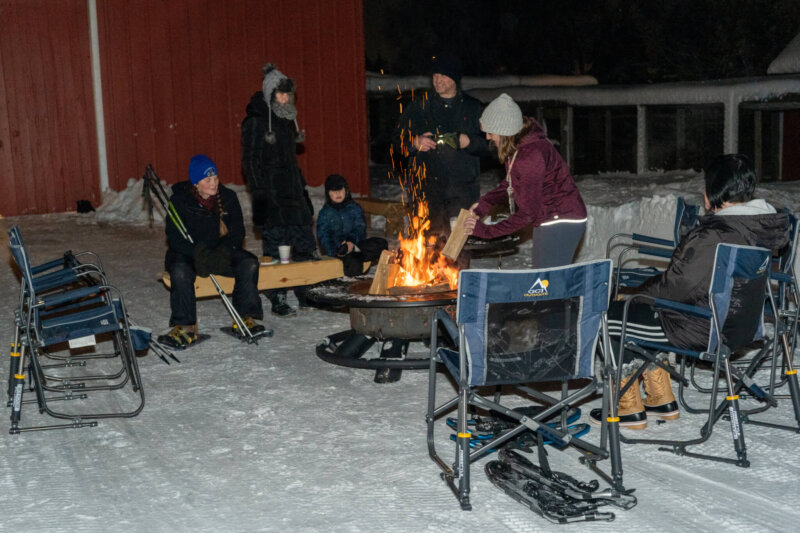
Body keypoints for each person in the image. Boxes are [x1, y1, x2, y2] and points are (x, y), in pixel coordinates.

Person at [589, 154, 790, 429]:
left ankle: (627, 409)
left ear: (713, 192)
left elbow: (676, 286)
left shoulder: (716, 234)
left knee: (610, 315)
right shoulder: (757, 228)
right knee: (643, 307)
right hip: (738, 324)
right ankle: (661, 399)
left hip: (700, 327)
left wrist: (632, 292)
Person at [463, 93, 587, 268]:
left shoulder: (530, 156)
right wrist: (484, 204)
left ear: (505, 131)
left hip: (561, 219)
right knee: (545, 281)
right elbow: (510, 184)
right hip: (551, 216)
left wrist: (487, 231)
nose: (488, 137)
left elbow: (528, 213)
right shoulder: (519, 146)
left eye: (491, 132)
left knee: (546, 283)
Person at [158, 154, 265, 349]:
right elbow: (174, 237)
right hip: (188, 252)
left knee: (248, 262)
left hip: (219, 251)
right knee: (180, 271)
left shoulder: (228, 197)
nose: (214, 183)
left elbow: (237, 231)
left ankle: (245, 318)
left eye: (215, 178)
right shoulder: (180, 201)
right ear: (196, 183)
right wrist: (196, 252)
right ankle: (185, 326)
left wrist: (223, 251)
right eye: (208, 180)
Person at [241, 63, 316, 317]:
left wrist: (303, 192)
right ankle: (278, 296)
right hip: (271, 195)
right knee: (277, 248)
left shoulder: (285, 120)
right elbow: (249, 161)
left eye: (288, 94)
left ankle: (306, 291)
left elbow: (291, 163)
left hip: (292, 193)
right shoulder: (256, 121)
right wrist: (259, 194)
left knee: (304, 242)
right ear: (270, 94)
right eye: (280, 94)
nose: (285, 99)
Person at [394, 53, 487, 235]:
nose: (437, 80)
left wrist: (470, 142)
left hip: (462, 190)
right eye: (435, 76)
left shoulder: (473, 107)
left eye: (443, 76)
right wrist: (414, 143)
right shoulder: (420, 107)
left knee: (459, 245)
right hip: (427, 191)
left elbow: (491, 146)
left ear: (454, 78)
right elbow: (396, 142)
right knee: (428, 247)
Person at [316, 174, 388, 276]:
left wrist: (351, 242)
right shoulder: (325, 213)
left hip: (355, 245)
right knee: (353, 261)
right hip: (338, 251)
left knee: (381, 243)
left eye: (341, 190)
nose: (338, 193)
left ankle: (356, 257)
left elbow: (360, 228)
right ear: (328, 194)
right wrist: (336, 249)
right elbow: (323, 236)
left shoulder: (354, 208)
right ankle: (353, 270)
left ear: (346, 191)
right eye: (334, 191)